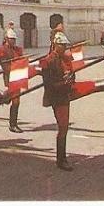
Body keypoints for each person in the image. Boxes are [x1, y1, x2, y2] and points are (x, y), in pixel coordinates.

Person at [40, 23, 77, 170]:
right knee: (62, 127)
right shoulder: (48, 61)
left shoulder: (65, 59)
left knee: (64, 127)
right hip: (56, 97)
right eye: (63, 45)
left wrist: (71, 78)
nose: (65, 48)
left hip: (65, 95)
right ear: (56, 45)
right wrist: (64, 82)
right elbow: (49, 85)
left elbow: (71, 74)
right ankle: (61, 160)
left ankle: (62, 157)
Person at [0, 22, 24, 133]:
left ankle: (6, 97)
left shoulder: (17, 49)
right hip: (9, 76)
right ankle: (13, 125)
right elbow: (5, 67)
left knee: (16, 100)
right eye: (11, 39)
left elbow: (21, 60)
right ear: (6, 39)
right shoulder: (2, 50)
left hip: (18, 76)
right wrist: (15, 66)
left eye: (14, 39)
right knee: (16, 101)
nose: (13, 41)